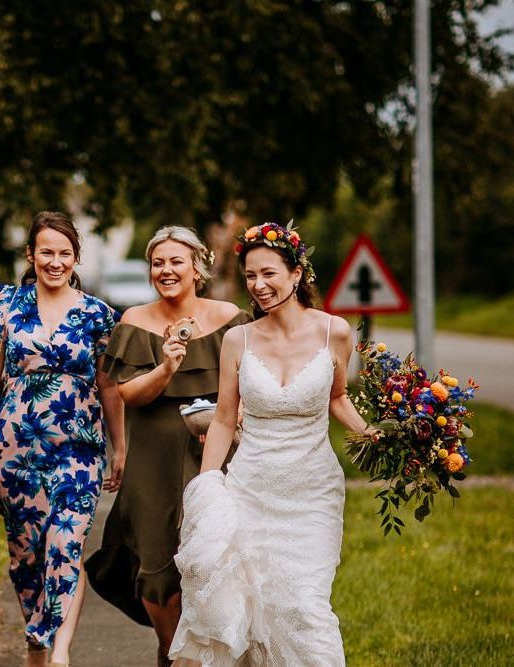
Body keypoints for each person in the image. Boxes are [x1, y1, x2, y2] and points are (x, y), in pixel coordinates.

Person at [169, 222, 376, 666]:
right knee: (252, 610)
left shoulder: (334, 332)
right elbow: (225, 419)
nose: (258, 286)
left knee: (304, 605)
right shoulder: (238, 339)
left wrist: (371, 432)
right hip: (251, 489)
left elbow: (337, 397)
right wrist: (208, 486)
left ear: (297, 274)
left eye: (269, 274)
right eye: (250, 276)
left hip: (312, 492)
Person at [0, 211, 125, 667]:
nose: (55, 262)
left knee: (66, 544)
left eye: (65, 253)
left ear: (76, 258)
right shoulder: (5, 305)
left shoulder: (97, 315)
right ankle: (37, 643)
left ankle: (62, 655)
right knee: (26, 556)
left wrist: (121, 448)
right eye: (46, 252)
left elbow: (108, 385)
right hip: (16, 448)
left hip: (79, 448)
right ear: (31, 255)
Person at [85, 226, 251, 666]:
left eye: (176, 261)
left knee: (218, 559)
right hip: (152, 461)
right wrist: (167, 366)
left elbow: (248, 386)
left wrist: (231, 424)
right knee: (158, 561)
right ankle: (169, 650)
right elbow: (127, 393)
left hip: (218, 456)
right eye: (158, 263)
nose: (166, 270)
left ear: (197, 268)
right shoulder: (135, 321)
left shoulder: (231, 319)